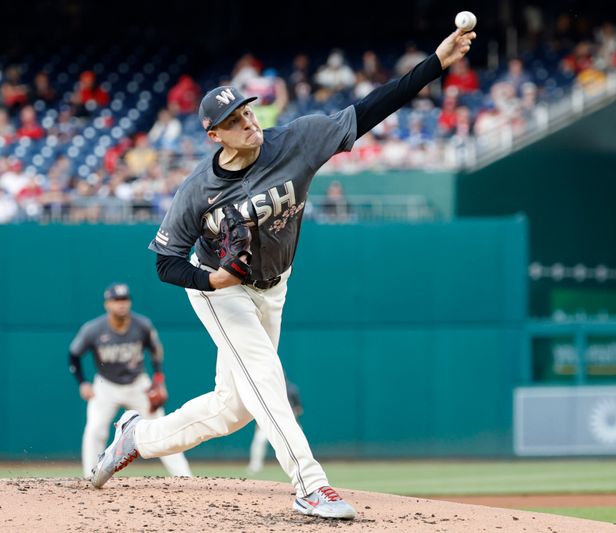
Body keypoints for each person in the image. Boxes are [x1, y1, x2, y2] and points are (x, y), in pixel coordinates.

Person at [90, 25, 476, 520]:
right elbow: (165, 262)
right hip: (219, 289)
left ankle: (136, 436)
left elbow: (374, 106)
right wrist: (213, 282)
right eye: (234, 119)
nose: (247, 121)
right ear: (214, 135)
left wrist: (437, 63)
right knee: (267, 380)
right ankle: (310, 484)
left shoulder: (299, 140)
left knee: (234, 409)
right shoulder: (197, 191)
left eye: (247, 110)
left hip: (273, 286)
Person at [70, 283, 192, 480]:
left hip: (138, 385)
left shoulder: (142, 325)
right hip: (105, 386)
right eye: (116, 300)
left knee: (162, 428)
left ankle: (184, 477)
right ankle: (90, 477)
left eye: (125, 299)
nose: (121, 304)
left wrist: (159, 379)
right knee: (94, 430)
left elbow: (156, 351)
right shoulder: (93, 329)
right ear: (107, 304)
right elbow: (73, 355)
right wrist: (82, 382)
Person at [247, 379, 303, 474]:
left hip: (287, 422)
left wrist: (292, 419)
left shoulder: (291, 389)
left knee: (298, 444)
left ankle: (300, 466)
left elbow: (299, 408)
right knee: (259, 441)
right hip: (268, 422)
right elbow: (260, 408)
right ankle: (255, 466)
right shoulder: (267, 390)